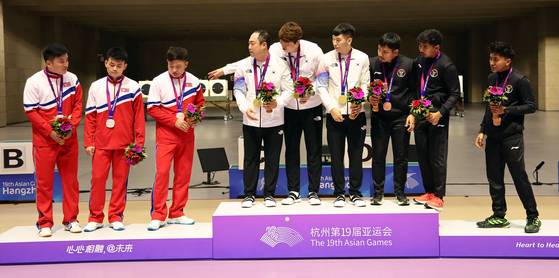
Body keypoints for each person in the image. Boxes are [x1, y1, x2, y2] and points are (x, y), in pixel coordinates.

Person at [208, 22, 324, 206]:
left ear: (296, 42)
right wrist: (225, 69)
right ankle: (293, 191)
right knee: (291, 151)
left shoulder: (314, 51)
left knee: (314, 150)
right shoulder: (277, 48)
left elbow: (323, 76)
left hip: (311, 106)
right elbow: (246, 61)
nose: (283, 48)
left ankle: (313, 192)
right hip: (289, 109)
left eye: (287, 45)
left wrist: (313, 92)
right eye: (281, 43)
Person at [474, 41, 541, 233]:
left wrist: (507, 110)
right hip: (493, 137)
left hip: (511, 137)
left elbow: (531, 106)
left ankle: (533, 217)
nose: (492, 62)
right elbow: (489, 108)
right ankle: (498, 215)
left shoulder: (520, 80)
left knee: (519, 177)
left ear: (508, 61)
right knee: (494, 178)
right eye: (490, 58)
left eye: (496, 59)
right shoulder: (491, 79)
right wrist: (482, 130)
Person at [23, 43, 83, 237]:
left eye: (67, 60)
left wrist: (71, 126)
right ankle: (45, 222)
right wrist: (50, 132)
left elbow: (78, 106)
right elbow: (31, 111)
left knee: (70, 181)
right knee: (44, 182)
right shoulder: (34, 82)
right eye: (61, 61)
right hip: (45, 140)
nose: (66, 64)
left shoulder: (72, 79)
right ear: (48, 63)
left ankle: (71, 219)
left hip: (68, 139)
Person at [83, 47, 145, 232]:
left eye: (119, 65)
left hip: (125, 144)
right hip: (101, 144)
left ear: (125, 66)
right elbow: (90, 116)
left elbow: (139, 118)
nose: (115, 69)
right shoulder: (96, 86)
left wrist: (138, 144)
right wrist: (89, 141)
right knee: (98, 180)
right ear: (105, 64)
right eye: (111, 65)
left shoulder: (133, 86)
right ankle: (95, 217)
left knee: (120, 181)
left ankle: (116, 216)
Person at [232, 29, 293, 208]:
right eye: (249, 43)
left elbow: (289, 90)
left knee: (273, 158)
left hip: (274, 120)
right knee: (250, 158)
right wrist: (244, 108)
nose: (249, 46)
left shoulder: (281, 65)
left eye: (252, 43)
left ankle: (269, 194)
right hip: (250, 120)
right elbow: (238, 89)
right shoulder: (243, 65)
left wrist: (278, 102)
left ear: (264, 45)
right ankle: (249, 194)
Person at [146, 46, 204, 230]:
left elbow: (200, 105)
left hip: (187, 135)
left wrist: (195, 119)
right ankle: (158, 214)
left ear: (186, 64)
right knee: (162, 174)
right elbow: (152, 108)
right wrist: (173, 121)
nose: (174, 70)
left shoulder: (194, 82)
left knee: (183, 175)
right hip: (166, 136)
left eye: (178, 66)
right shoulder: (158, 81)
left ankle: (177, 212)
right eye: (171, 66)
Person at [316, 23, 370, 207]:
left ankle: (355, 193)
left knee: (356, 155)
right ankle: (339, 193)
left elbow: (365, 84)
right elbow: (321, 86)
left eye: (338, 40)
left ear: (349, 39)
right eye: (333, 39)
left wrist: (358, 103)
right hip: (335, 115)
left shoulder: (362, 58)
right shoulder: (325, 58)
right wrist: (331, 108)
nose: (335, 43)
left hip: (356, 115)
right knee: (336, 155)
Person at [412, 29, 460, 211]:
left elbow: (455, 94)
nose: (421, 49)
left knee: (437, 158)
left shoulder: (447, 65)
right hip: (420, 115)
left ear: (436, 47)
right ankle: (429, 192)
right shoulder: (419, 63)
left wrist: (440, 113)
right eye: (419, 45)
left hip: (437, 117)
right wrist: (414, 112)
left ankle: (439, 196)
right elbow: (417, 89)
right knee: (423, 156)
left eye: (425, 46)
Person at [368, 32, 417, 206]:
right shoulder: (372, 63)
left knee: (401, 157)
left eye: (385, 51)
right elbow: (366, 90)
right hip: (379, 117)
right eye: (379, 49)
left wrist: (412, 113)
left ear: (395, 52)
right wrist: (369, 100)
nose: (381, 54)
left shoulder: (409, 64)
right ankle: (378, 193)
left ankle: (400, 192)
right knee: (378, 156)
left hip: (401, 117)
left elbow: (415, 92)